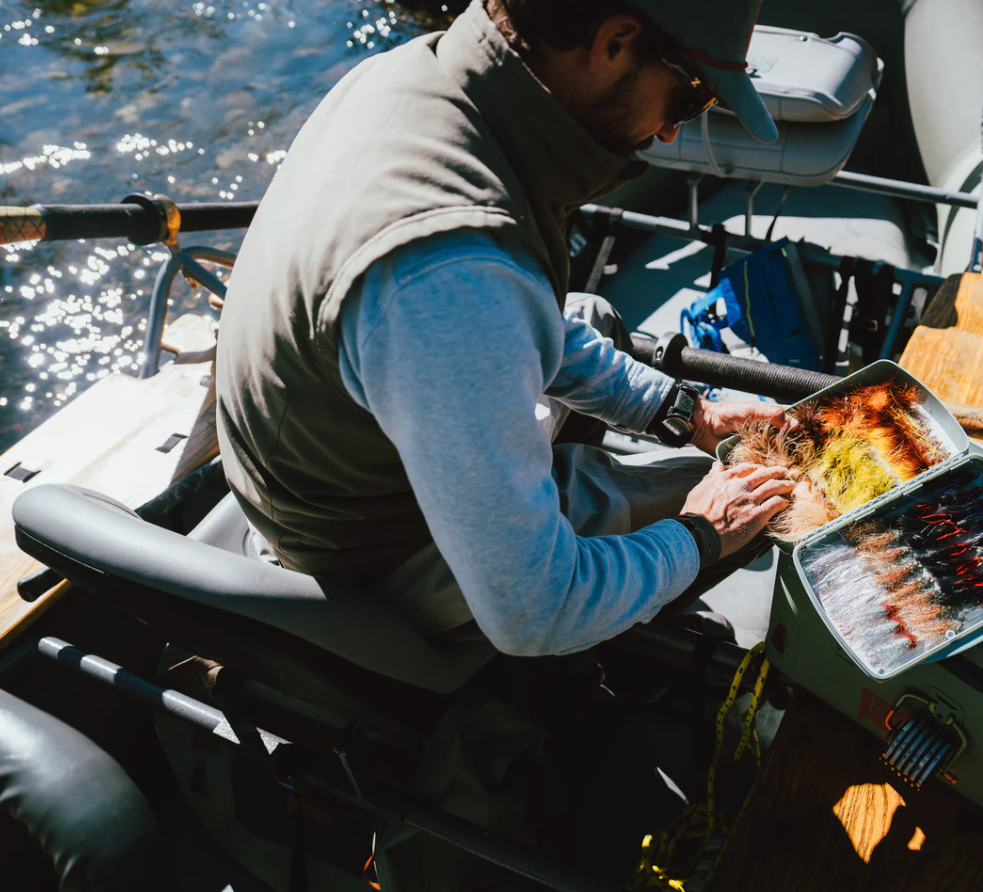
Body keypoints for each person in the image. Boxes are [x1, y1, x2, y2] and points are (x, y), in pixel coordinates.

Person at [215, 0, 790, 878]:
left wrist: (677, 408)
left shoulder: (417, 76)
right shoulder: (450, 272)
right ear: (614, 43)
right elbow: (536, 612)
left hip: (321, 464)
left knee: (598, 329)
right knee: (731, 499)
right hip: (368, 548)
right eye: (691, 95)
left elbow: (516, 324)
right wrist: (700, 533)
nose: (678, 132)